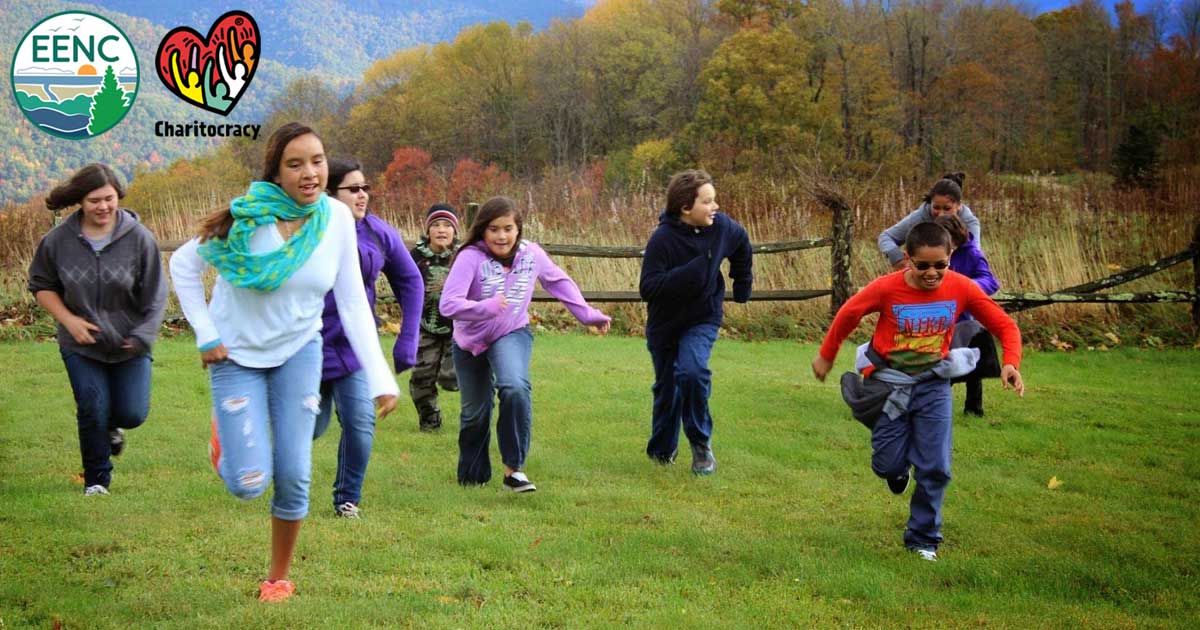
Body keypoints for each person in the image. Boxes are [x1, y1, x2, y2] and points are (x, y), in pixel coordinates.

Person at [170, 123, 399, 602]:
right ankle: (225, 443)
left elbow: (354, 302)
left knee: (295, 472)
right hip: (236, 355)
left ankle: (277, 578)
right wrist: (206, 334)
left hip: (300, 351)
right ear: (276, 172)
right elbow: (184, 266)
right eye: (295, 164)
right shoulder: (246, 219)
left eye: (317, 161)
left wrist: (381, 378)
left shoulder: (337, 218)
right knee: (247, 483)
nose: (309, 172)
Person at [811, 222, 1025, 562]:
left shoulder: (961, 287)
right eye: (922, 265)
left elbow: (1004, 325)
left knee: (936, 466)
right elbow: (848, 314)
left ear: (950, 258)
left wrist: (1010, 363)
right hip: (889, 383)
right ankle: (898, 470)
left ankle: (923, 539)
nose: (931, 273)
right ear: (907, 259)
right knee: (887, 464)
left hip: (933, 383)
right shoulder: (886, 288)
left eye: (940, 265)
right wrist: (826, 354)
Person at [440, 196, 611, 492]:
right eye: (494, 229)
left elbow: (559, 282)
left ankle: (513, 470)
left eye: (508, 228)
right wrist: (486, 307)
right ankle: (472, 477)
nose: (501, 236)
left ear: (518, 229)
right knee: (475, 412)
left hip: (511, 332)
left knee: (514, 387)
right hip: (469, 342)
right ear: (482, 230)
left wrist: (588, 315)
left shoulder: (531, 255)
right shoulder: (470, 257)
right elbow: (448, 304)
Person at [28, 163, 167, 496]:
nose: (103, 206)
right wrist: (69, 320)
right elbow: (41, 284)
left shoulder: (139, 239)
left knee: (132, 413)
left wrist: (142, 335)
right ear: (80, 201)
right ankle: (97, 481)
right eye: (94, 200)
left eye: (109, 198)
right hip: (81, 344)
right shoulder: (58, 241)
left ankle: (113, 427)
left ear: (118, 196)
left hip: (128, 343)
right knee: (91, 407)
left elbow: (157, 294)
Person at [311, 158, 423, 519]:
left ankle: (347, 499)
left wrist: (407, 338)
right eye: (353, 189)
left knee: (361, 423)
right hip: (307, 345)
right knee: (310, 427)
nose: (362, 195)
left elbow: (411, 281)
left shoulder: (378, 233)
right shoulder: (308, 228)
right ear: (331, 194)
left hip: (353, 347)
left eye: (366, 188)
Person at [639, 169, 753, 475]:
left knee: (691, 372)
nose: (715, 207)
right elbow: (648, 288)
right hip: (664, 324)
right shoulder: (662, 240)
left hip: (703, 316)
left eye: (714, 200)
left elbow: (741, 244)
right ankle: (663, 447)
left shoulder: (722, 227)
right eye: (708, 201)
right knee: (667, 387)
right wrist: (693, 270)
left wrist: (742, 284)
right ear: (686, 208)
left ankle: (701, 446)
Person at [935, 213, 1001, 416]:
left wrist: (966, 287)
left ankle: (974, 408)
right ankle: (936, 402)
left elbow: (990, 281)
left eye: (949, 242)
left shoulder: (972, 254)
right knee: (941, 363)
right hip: (937, 320)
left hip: (964, 322)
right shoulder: (934, 252)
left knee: (972, 364)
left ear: (957, 238)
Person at [409, 203, 462, 432]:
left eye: (447, 225)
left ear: (455, 231)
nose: (441, 230)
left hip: (458, 327)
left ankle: (477, 411)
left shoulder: (463, 255)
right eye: (436, 225)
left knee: (450, 378)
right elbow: (404, 283)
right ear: (428, 230)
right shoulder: (416, 256)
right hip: (424, 326)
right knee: (421, 377)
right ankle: (430, 421)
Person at [878, 172, 980, 271]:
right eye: (936, 207)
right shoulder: (920, 217)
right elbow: (886, 237)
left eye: (947, 208)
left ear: (958, 206)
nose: (941, 214)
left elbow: (976, 259)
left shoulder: (969, 223)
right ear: (930, 203)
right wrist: (898, 259)